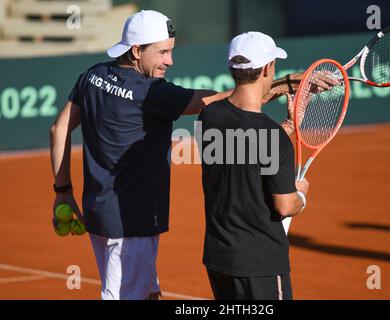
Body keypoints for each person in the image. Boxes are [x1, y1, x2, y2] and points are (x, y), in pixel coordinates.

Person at [49, 10, 232, 300]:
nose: (169, 61)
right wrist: (266, 89)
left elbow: (58, 130)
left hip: (102, 213)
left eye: (171, 51)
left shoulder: (92, 76)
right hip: (130, 222)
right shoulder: (150, 92)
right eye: (162, 52)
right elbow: (210, 101)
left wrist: (63, 191)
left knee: (149, 293)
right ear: (136, 51)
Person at [197, 31, 309, 300]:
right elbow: (284, 205)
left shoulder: (209, 116)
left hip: (220, 260)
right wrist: (301, 195)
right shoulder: (273, 138)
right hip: (261, 265)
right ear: (268, 68)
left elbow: (245, 147)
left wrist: (288, 127)